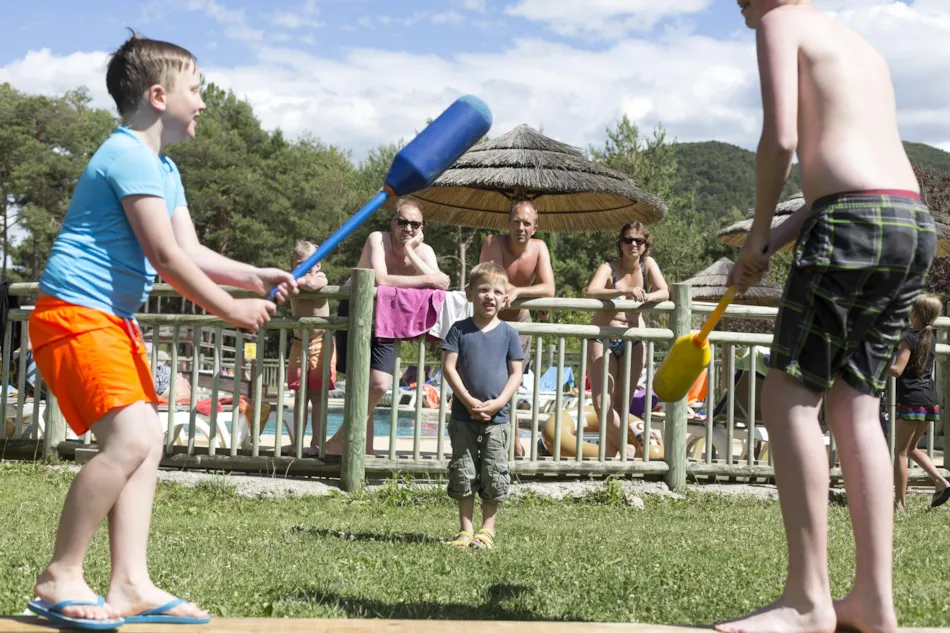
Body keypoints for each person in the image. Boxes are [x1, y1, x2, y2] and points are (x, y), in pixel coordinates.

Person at [26, 32, 296, 629]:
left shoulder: (162, 168)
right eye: (195, 90)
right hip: (75, 312)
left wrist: (254, 276)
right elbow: (165, 258)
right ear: (157, 95)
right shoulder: (126, 155)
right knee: (127, 441)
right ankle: (60, 575)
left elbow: (190, 248)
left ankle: (129, 584)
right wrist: (231, 310)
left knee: (146, 443)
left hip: (108, 318)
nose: (202, 103)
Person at [721, 2, 937, 633]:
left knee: (788, 392)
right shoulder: (859, 46)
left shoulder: (779, 22)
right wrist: (768, 243)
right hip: (909, 222)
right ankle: (874, 601)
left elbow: (782, 142)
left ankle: (807, 600)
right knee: (856, 404)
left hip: (851, 219)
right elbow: (845, 186)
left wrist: (757, 229)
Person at [328, 200, 450, 455]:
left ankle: (340, 438)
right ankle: (365, 452)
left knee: (379, 385)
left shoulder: (424, 251)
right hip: (355, 314)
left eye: (414, 224)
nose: (408, 228)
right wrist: (425, 279)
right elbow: (380, 279)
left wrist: (412, 252)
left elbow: (442, 284)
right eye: (403, 222)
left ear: (421, 228)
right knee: (360, 385)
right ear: (392, 223)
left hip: (388, 319)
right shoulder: (377, 240)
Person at [441, 263, 524, 550]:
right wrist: (466, 399)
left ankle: (487, 530)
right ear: (469, 294)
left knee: (494, 471)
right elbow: (449, 367)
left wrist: (499, 402)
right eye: (483, 290)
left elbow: (516, 373)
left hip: (498, 419)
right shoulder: (459, 330)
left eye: (497, 292)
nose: (490, 296)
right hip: (464, 415)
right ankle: (465, 529)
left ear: (504, 299)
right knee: (463, 469)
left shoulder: (509, 334)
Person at [585, 222, 668, 458]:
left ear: (644, 246)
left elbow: (664, 291)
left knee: (622, 404)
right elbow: (591, 291)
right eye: (628, 240)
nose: (633, 244)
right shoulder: (608, 267)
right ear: (620, 243)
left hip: (634, 339)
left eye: (638, 241)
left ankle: (611, 463)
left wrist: (646, 297)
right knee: (602, 404)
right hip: (604, 337)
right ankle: (628, 445)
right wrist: (622, 293)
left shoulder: (647, 265)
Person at [479, 200, 555, 456]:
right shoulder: (493, 242)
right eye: (515, 221)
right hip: (490, 323)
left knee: (513, 381)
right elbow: (495, 283)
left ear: (535, 228)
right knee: (487, 382)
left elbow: (549, 288)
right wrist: (521, 291)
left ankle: (510, 441)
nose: (520, 227)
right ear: (507, 223)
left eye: (526, 223)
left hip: (520, 323)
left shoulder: (540, 247)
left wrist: (523, 291)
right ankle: (496, 440)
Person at [890, 293, 950, 512]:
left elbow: (897, 370)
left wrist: (874, 364)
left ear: (913, 312)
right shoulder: (929, 337)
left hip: (912, 400)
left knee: (901, 453)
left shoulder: (909, 337)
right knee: (912, 448)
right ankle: (942, 482)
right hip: (929, 400)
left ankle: (900, 504)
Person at [285, 240, 336, 457]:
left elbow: (314, 286)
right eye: (299, 264)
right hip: (299, 345)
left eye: (310, 264)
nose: (305, 268)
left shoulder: (321, 278)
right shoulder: (291, 280)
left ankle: (316, 444)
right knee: (299, 398)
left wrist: (299, 277)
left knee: (318, 399)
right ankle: (297, 442)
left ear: (319, 265)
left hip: (321, 345)